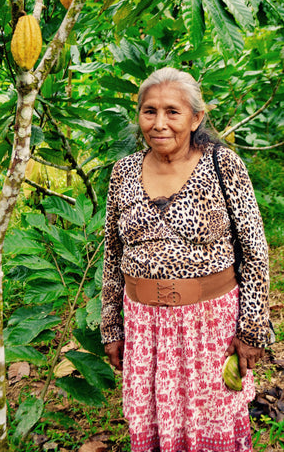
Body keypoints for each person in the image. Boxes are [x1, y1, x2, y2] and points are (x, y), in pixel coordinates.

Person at [100, 67, 270, 452]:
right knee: (154, 427)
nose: (159, 123)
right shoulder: (123, 172)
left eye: (173, 112)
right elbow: (113, 255)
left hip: (209, 326)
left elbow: (255, 254)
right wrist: (112, 326)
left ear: (196, 118)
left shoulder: (222, 166)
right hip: (144, 327)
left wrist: (252, 331)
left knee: (213, 427)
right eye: (149, 111)